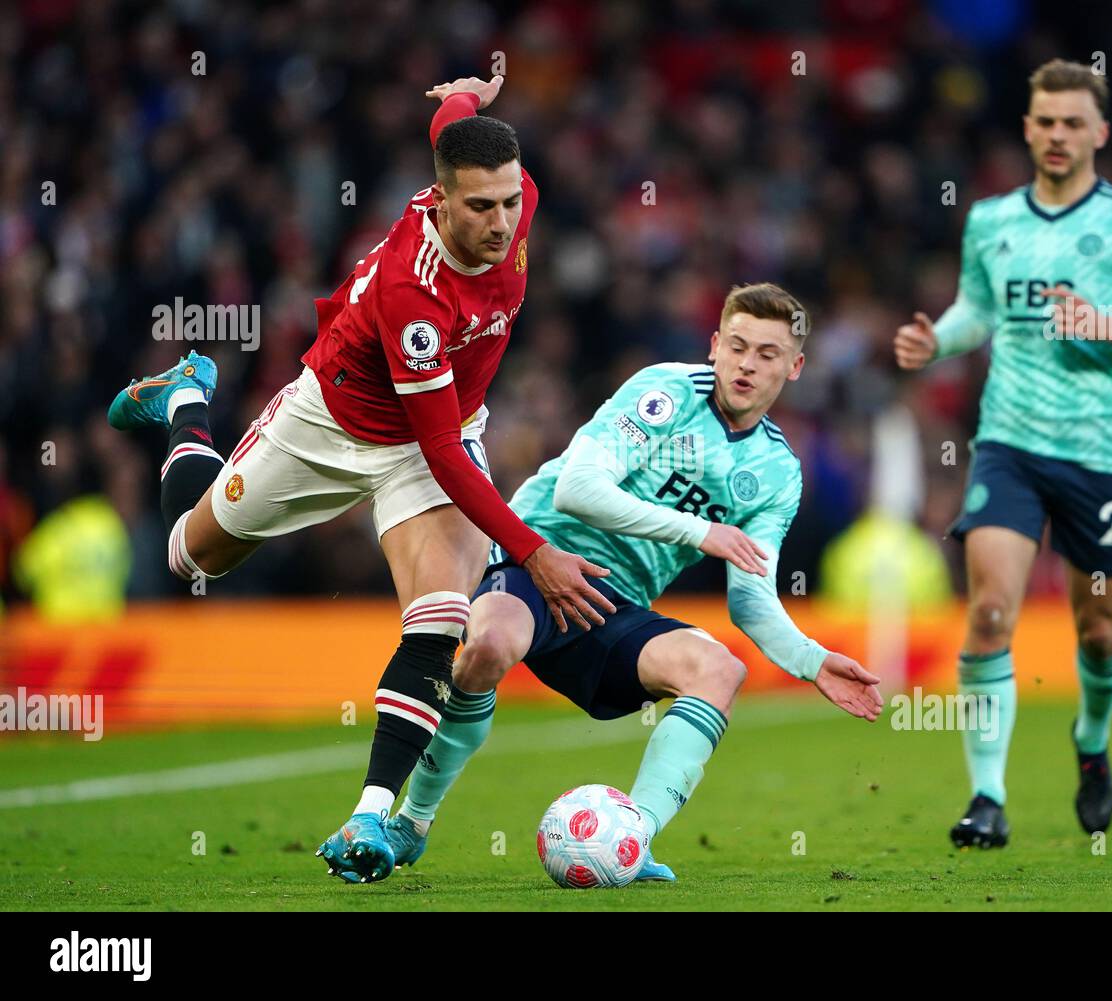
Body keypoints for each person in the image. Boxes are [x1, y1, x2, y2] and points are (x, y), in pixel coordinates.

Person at [107, 75, 615, 883]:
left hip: (435, 437)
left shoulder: (511, 192)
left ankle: (372, 816)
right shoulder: (416, 294)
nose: (501, 222)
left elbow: (452, 127)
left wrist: (463, 97)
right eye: (480, 208)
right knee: (189, 558)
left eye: (510, 203)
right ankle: (186, 399)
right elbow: (444, 450)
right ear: (441, 203)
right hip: (333, 424)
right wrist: (534, 553)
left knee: (442, 614)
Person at [373, 282, 883, 883]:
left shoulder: (776, 474)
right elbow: (578, 491)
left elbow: (751, 602)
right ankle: (413, 820)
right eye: (738, 346)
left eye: (768, 354)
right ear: (714, 345)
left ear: (794, 367)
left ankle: (630, 840)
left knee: (721, 670)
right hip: (537, 560)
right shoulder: (664, 392)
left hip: (611, 606)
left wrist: (813, 660)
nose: (748, 364)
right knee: (488, 642)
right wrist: (700, 532)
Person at [894, 59, 1112, 847]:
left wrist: (1111, 326)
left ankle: (1092, 742)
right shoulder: (993, 221)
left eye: (1074, 122)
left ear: (1100, 132)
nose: (1058, 135)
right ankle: (987, 798)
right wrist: (938, 339)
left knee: (1098, 628)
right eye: (1045, 121)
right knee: (991, 608)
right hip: (1010, 444)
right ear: (1028, 127)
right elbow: (977, 312)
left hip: (1100, 450)